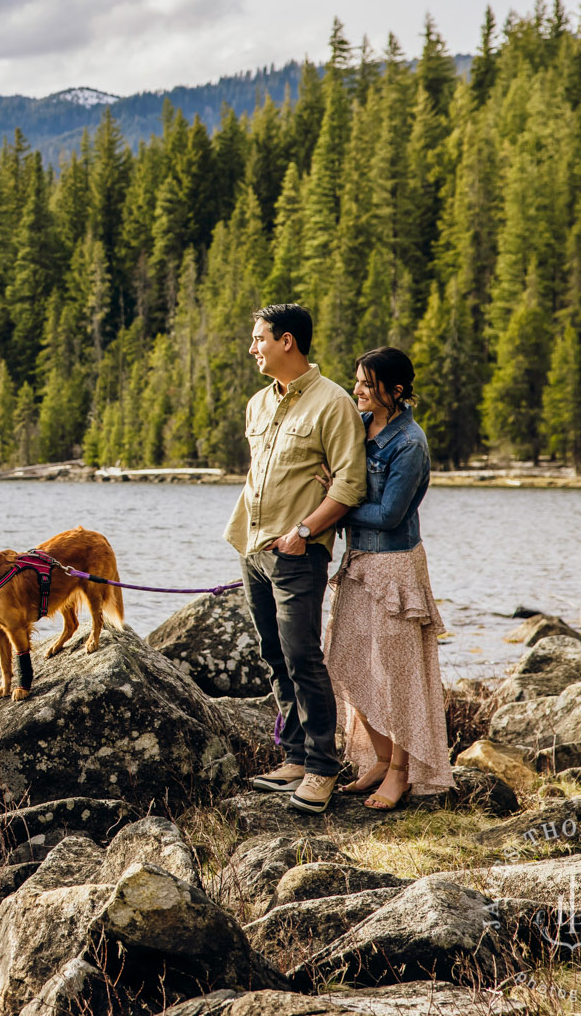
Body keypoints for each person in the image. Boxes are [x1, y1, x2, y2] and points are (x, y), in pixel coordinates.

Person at [225, 304, 367, 814]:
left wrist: (305, 530)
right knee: (273, 655)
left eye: (259, 338)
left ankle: (324, 770)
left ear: (287, 341)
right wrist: (249, 538)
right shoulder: (257, 404)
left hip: (299, 554)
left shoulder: (334, 404)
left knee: (303, 656)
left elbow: (351, 485)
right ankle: (295, 757)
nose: (252, 347)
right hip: (254, 549)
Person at [323, 346, 452, 809]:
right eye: (356, 380)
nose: (356, 389)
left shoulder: (410, 443)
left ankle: (401, 772)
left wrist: (336, 502)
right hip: (359, 564)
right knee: (349, 662)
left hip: (395, 568)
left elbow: (391, 513)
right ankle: (378, 759)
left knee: (398, 675)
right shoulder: (358, 427)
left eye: (366, 383)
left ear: (394, 391)